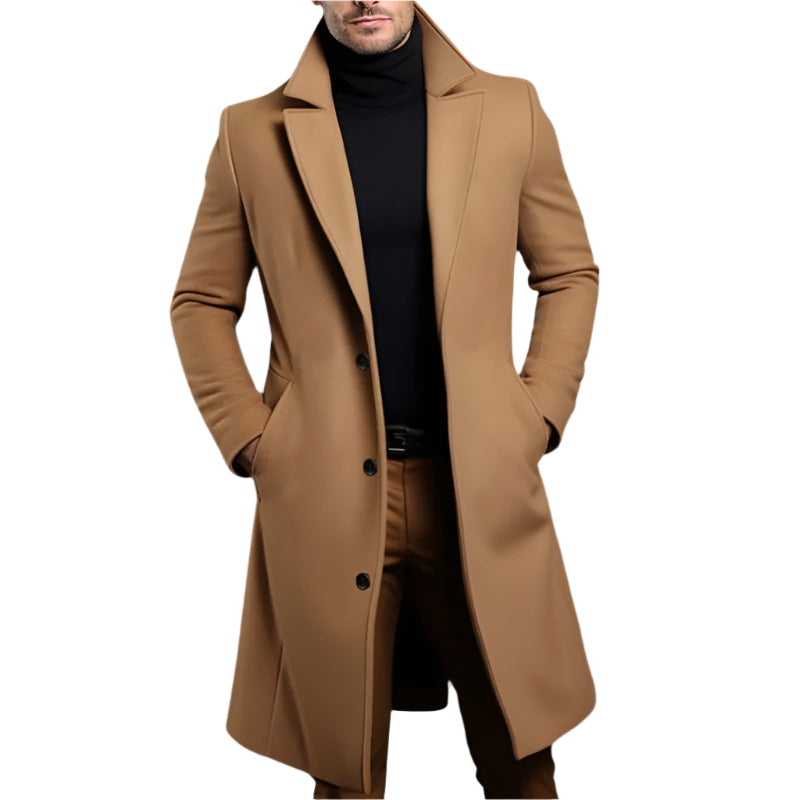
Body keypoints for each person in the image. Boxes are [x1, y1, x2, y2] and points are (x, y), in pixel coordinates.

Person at [170, 2, 599, 797]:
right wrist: (255, 439)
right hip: (326, 493)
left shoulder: (511, 110)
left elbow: (568, 272)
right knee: (344, 770)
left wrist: (537, 413)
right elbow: (200, 301)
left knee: (521, 760)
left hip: (477, 487)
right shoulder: (249, 133)